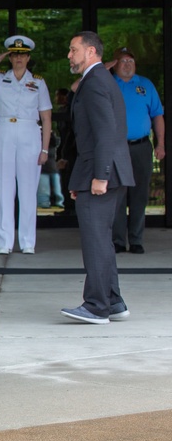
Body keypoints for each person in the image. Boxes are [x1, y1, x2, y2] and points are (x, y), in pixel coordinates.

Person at [62, 31, 134, 324]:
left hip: (103, 173)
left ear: (91, 52)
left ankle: (96, 306)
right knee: (102, 241)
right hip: (103, 171)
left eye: (73, 49)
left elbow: (105, 133)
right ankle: (113, 302)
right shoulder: (99, 81)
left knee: (95, 241)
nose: (69, 55)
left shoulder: (93, 83)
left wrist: (100, 176)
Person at [0, 36, 52, 254]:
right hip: (3, 131)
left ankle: (28, 242)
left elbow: (46, 118)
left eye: (22, 55)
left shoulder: (38, 82)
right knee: (3, 189)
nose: (18, 58)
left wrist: (45, 149)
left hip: (30, 132)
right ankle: (5, 242)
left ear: (28, 57)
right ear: (9, 57)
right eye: (14, 54)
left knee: (28, 190)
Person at [102, 46, 166, 254]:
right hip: (117, 147)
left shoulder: (145, 85)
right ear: (115, 64)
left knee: (140, 194)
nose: (128, 65)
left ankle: (136, 240)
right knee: (118, 194)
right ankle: (119, 240)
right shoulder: (108, 82)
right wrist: (104, 69)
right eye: (123, 61)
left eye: (131, 61)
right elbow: (79, 86)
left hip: (141, 146)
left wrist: (160, 144)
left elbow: (157, 116)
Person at [38, 89, 68, 209]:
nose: (56, 99)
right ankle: (48, 203)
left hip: (51, 163)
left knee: (56, 187)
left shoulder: (66, 112)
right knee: (48, 187)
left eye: (58, 96)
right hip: (48, 164)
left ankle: (60, 203)